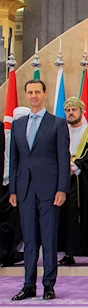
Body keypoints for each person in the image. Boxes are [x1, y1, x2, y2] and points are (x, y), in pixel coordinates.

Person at [9, 80, 70, 301]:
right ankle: (28, 285)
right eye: (30, 92)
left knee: (49, 239)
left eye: (37, 92)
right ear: (26, 95)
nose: (34, 96)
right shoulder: (18, 124)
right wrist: (13, 190)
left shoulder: (57, 123)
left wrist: (62, 188)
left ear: (45, 94)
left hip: (50, 190)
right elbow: (14, 160)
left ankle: (48, 285)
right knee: (30, 240)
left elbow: (63, 159)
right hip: (25, 190)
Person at [57, 97, 88, 267]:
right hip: (66, 182)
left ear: (82, 112)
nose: (71, 113)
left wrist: (75, 165)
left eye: (74, 110)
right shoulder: (60, 130)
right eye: (68, 110)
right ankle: (68, 253)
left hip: (86, 182)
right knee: (67, 217)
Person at [0, 107, 29, 267]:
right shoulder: (10, 136)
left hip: (16, 185)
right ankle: (6, 254)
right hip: (9, 186)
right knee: (9, 224)